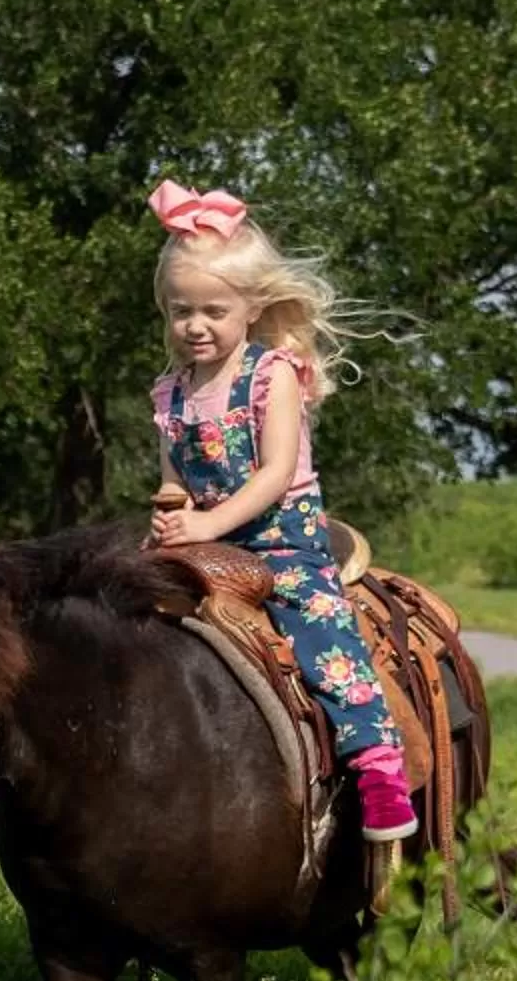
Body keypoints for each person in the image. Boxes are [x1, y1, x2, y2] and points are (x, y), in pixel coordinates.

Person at [142, 180, 418, 844]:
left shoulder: (274, 375)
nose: (196, 326)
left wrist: (207, 523)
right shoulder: (169, 393)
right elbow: (173, 481)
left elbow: (272, 474)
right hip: (204, 547)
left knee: (321, 634)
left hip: (280, 541)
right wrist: (171, 521)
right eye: (182, 311)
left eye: (213, 310)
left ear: (251, 307)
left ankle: (377, 765)